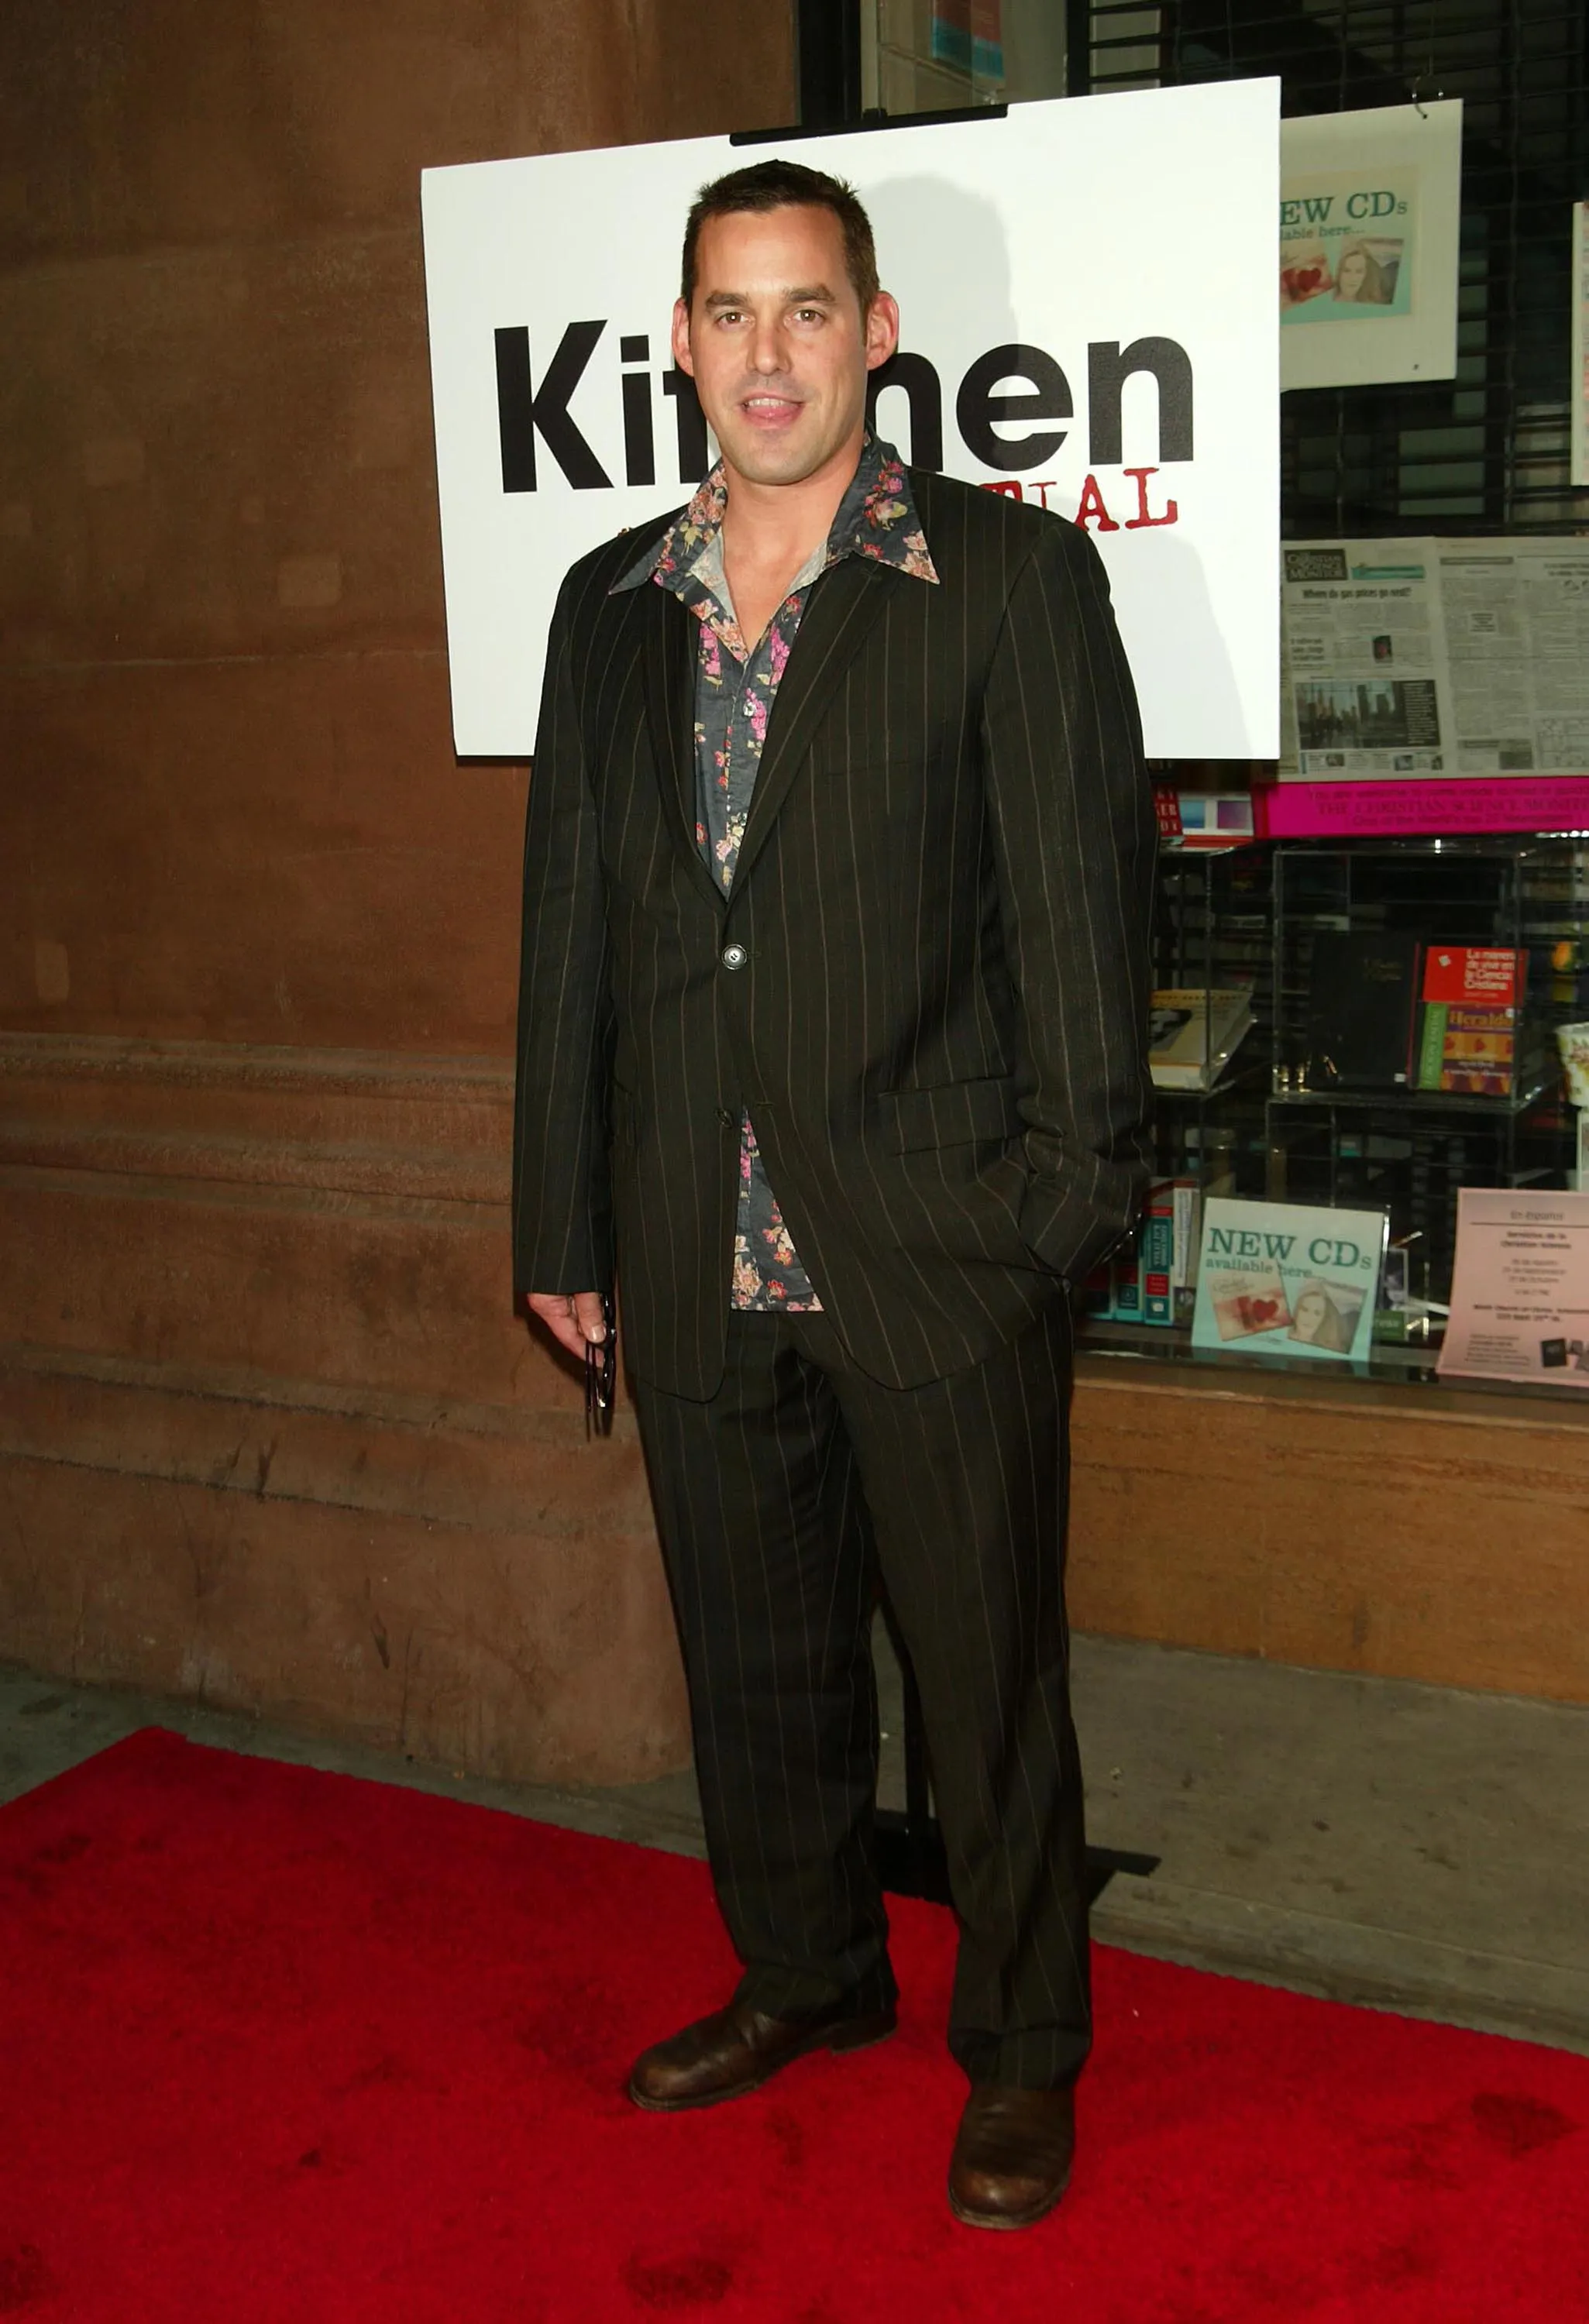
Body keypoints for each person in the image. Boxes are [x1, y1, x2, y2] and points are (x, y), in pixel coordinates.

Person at [512, 156, 1154, 2232]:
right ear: (680, 343)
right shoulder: (609, 602)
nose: (768, 352)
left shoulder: (1008, 580)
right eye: (730, 312)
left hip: (937, 1242)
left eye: (809, 309)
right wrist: (562, 1232)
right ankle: (806, 1976)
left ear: (879, 334)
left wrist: (1057, 1221)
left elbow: (1081, 924)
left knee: (984, 1689)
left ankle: (1025, 2052)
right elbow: (576, 941)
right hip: (689, 1239)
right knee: (759, 1663)